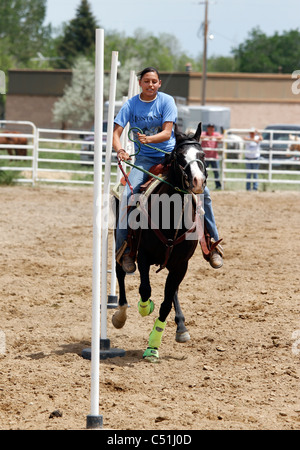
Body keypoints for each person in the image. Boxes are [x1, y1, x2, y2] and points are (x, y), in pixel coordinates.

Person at [113, 67, 223, 273]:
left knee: (203, 193)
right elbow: (116, 133)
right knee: (127, 194)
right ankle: (125, 250)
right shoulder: (130, 105)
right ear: (140, 83)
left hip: (171, 157)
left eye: (154, 81)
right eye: (146, 81)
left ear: (159, 83)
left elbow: (166, 132)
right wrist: (120, 149)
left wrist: (148, 139)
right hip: (144, 159)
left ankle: (212, 245)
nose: (150, 85)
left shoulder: (166, 101)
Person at [201, 124, 223, 190]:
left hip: (214, 157)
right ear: (207, 128)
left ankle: (218, 185)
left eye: (212, 128)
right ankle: (202, 184)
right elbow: (200, 136)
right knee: (203, 172)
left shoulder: (216, 134)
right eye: (210, 128)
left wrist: (212, 138)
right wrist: (209, 137)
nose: (211, 129)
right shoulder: (204, 133)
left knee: (216, 172)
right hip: (205, 157)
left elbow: (221, 137)